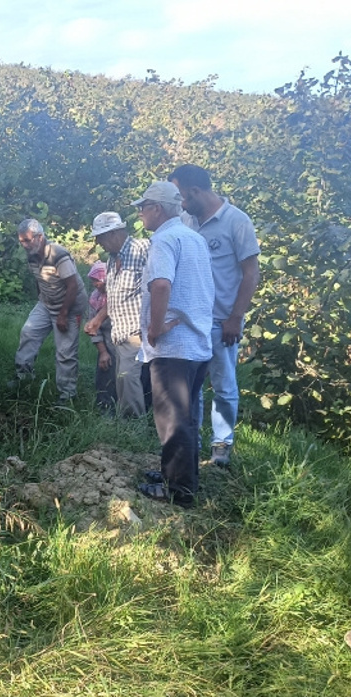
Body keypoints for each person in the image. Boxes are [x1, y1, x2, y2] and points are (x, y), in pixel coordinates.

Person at [168, 165, 262, 467]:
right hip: (191, 322)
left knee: (223, 385)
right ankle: (192, 444)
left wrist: (236, 317)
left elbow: (251, 274)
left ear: (196, 192)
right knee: (191, 387)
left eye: (182, 196)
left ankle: (221, 447)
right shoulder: (186, 221)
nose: (181, 204)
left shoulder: (236, 222)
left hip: (223, 321)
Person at [132, 181, 214, 508]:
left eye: (144, 205)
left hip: (173, 346)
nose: (140, 211)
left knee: (172, 420)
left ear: (158, 209)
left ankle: (178, 492)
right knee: (187, 417)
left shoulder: (164, 239)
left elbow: (162, 285)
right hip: (197, 342)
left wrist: (154, 328)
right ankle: (177, 475)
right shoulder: (194, 238)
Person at [11, 218, 90, 403]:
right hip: (46, 304)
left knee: (65, 352)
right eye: (21, 241)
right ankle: (24, 378)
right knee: (28, 332)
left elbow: (72, 287)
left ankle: (67, 397)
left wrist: (63, 315)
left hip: (69, 307)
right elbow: (41, 280)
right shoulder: (32, 254)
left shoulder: (58, 254)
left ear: (39, 237)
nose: (24, 245)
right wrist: (43, 299)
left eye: (27, 240)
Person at [83, 211, 149, 418]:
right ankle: (128, 427)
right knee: (122, 381)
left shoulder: (142, 249)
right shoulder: (112, 259)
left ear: (114, 233)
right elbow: (114, 296)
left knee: (128, 379)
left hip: (137, 331)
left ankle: (134, 428)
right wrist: (98, 319)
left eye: (101, 238)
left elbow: (161, 285)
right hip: (119, 333)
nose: (99, 243)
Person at [85, 260, 117, 413]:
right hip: (104, 340)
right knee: (105, 373)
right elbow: (92, 326)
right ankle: (105, 408)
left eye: (97, 280)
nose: (95, 284)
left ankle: (125, 409)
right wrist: (103, 351)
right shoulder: (94, 298)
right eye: (93, 281)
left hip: (122, 338)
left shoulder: (119, 295)